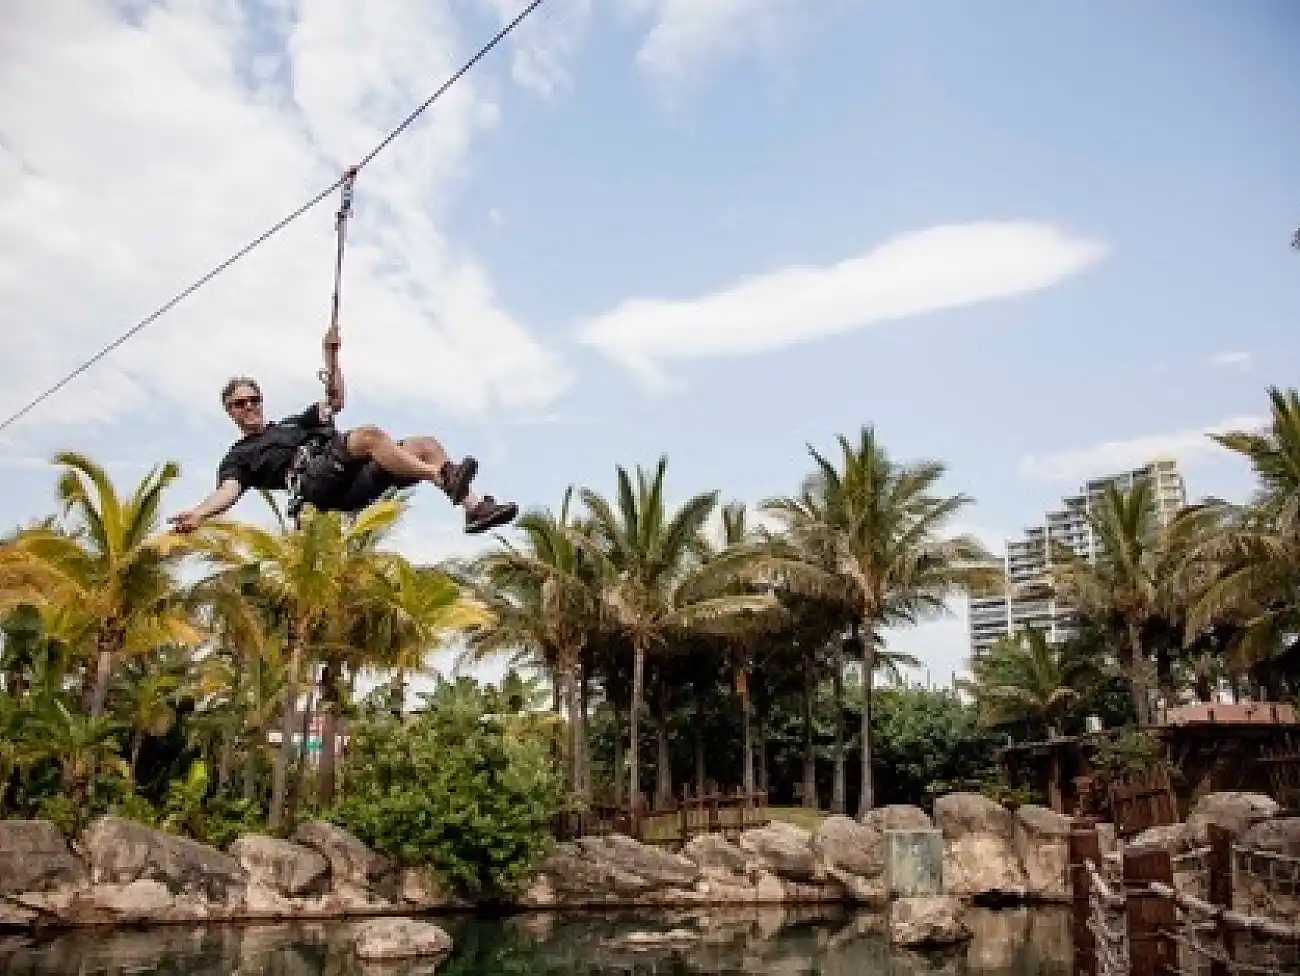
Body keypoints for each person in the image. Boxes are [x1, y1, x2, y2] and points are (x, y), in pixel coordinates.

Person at [167, 323, 518, 535]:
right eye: (240, 404)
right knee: (368, 436)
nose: (249, 407)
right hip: (314, 483)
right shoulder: (239, 457)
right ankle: (445, 474)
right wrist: (199, 513)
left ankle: (474, 510)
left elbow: (335, 401)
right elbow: (227, 492)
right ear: (229, 412)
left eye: (253, 399)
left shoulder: (294, 423)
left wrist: (331, 358)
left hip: (352, 481)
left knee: (424, 444)